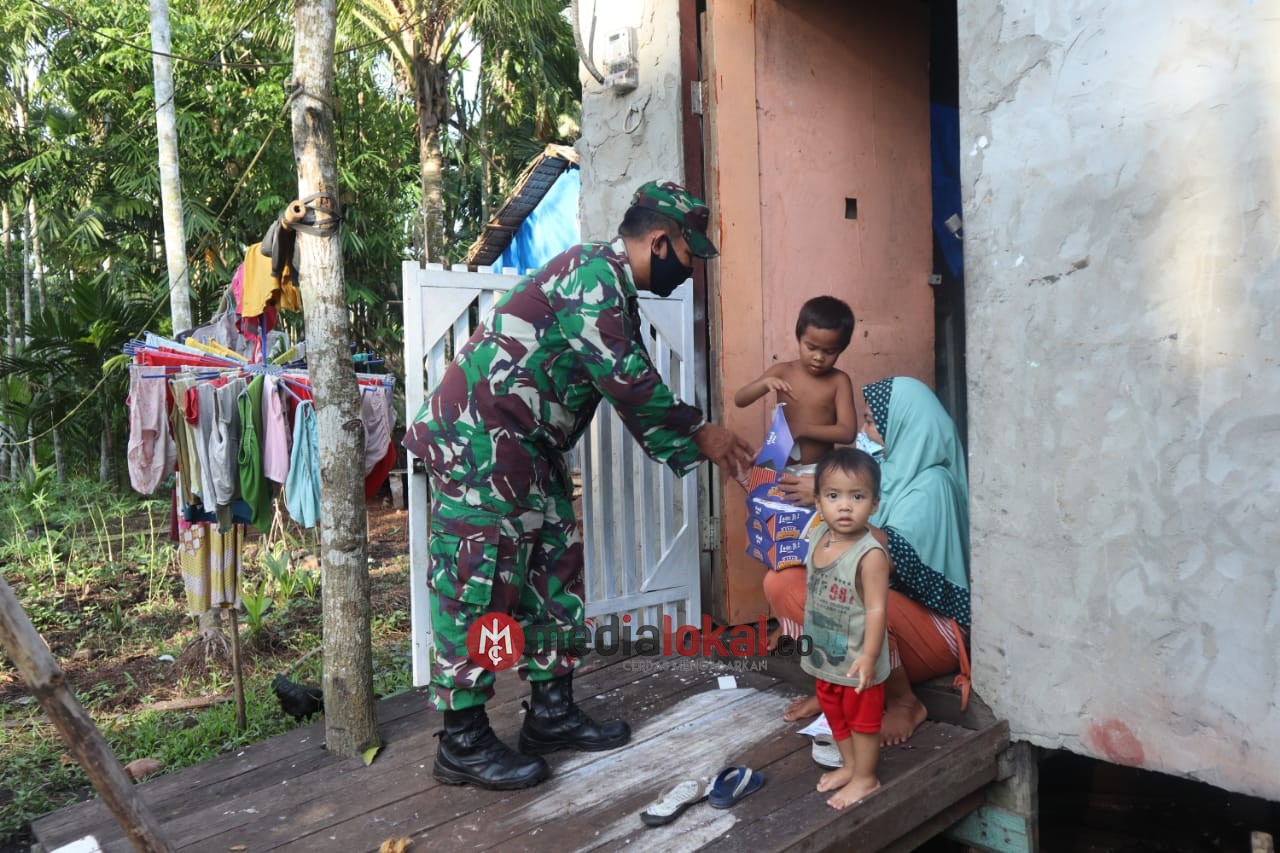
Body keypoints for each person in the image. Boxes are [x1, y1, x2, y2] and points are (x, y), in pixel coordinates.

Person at [402, 180, 756, 791]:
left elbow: (622, 380)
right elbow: (628, 379)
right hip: (480, 440)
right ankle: (461, 740)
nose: (691, 270)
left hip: (529, 447)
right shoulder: (593, 274)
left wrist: (692, 434)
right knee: (478, 586)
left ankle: (551, 712)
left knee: (554, 572)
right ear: (661, 241)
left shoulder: (610, 284)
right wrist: (703, 432)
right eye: (690, 255)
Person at [765, 376, 971, 746]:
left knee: (854, 591)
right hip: (885, 619)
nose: (863, 431)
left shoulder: (932, 483)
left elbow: (893, 560)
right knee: (781, 583)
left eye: (873, 423)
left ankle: (905, 702)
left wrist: (829, 497)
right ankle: (834, 684)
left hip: (935, 631)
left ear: (906, 427)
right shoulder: (887, 474)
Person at [802, 447, 890, 809]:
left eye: (857, 496)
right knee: (834, 712)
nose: (844, 506)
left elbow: (876, 608)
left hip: (857, 661)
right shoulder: (817, 537)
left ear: (874, 503)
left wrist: (869, 656)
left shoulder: (869, 555)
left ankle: (866, 778)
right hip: (826, 655)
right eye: (833, 495)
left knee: (863, 722)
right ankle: (850, 766)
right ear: (818, 500)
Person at [733, 296, 858, 466]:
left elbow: (847, 432)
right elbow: (740, 400)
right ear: (799, 338)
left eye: (830, 351)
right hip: (776, 464)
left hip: (818, 472)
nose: (819, 357)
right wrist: (763, 384)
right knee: (759, 492)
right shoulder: (782, 371)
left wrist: (803, 429)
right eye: (811, 347)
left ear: (841, 349)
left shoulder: (839, 381)